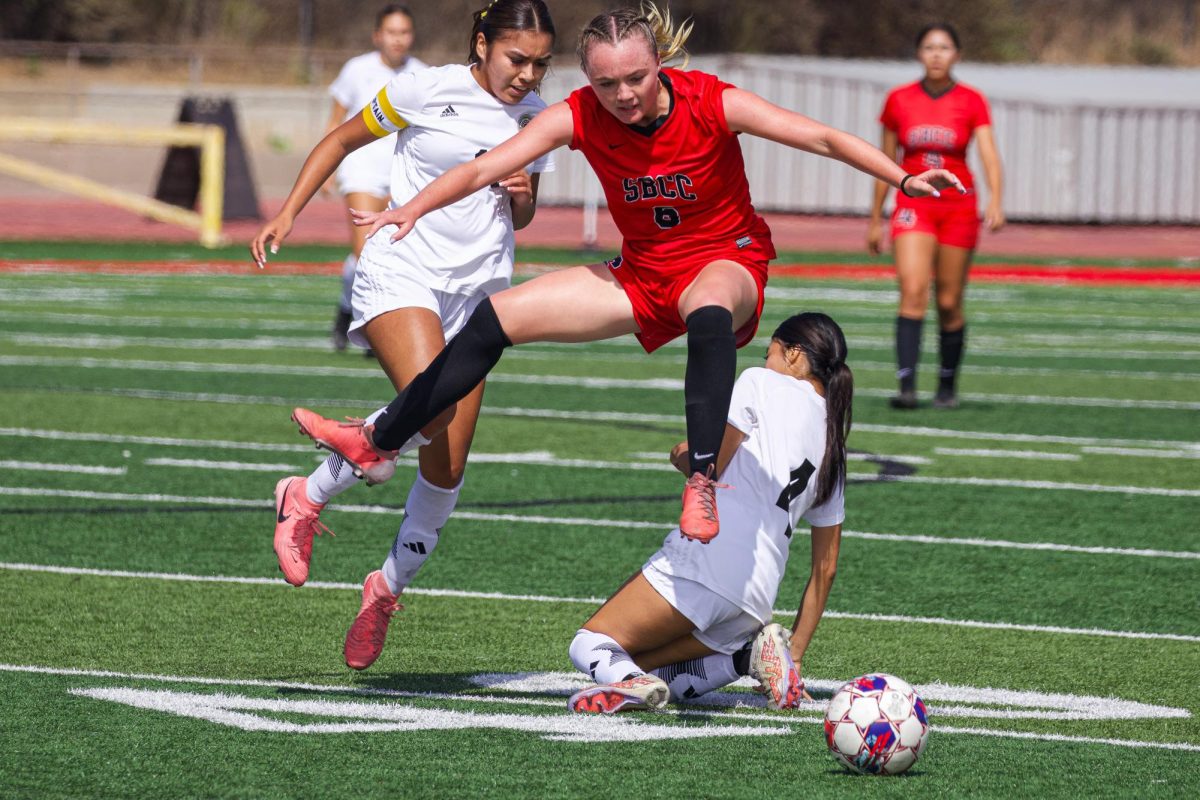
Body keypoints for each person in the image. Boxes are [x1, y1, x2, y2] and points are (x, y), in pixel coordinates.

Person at [295, 2, 961, 549]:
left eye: (636, 79)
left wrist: (902, 176)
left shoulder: (711, 103)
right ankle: (377, 438)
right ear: (588, 80)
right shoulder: (580, 115)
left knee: (706, 310)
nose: (623, 95)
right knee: (492, 321)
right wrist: (410, 207)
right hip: (641, 274)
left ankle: (701, 480)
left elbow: (819, 137)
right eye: (607, 83)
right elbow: (480, 169)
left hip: (725, 260)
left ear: (659, 66)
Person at [250, 0, 557, 671]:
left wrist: (520, 194)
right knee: (434, 402)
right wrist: (288, 214)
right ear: (482, 44)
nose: (528, 74)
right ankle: (311, 494)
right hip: (402, 264)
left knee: (445, 468)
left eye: (540, 63)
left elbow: (525, 213)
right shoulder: (427, 88)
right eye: (516, 58)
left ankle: (383, 587)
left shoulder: (540, 115)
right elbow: (339, 142)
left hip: (477, 297)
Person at [565, 312, 851, 713]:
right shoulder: (833, 442)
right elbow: (826, 568)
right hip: (756, 597)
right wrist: (797, 655)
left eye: (769, 351)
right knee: (641, 665)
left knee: (590, 645)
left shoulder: (761, 381)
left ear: (793, 354)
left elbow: (709, 464)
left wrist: (681, 454)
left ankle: (632, 683)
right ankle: (746, 658)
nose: (765, 360)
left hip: (708, 563)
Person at [867, 22, 1005, 410]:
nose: (937, 54)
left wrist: (997, 199)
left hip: (958, 207)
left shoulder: (972, 100)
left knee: (948, 301)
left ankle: (946, 386)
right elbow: (885, 161)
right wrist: (876, 217)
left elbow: (989, 154)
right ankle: (907, 386)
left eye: (945, 48)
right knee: (913, 291)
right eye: (929, 47)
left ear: (957, 54)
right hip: (915, 205)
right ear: (918, 54)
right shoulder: (899, 99)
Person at [325, 5, 427, 352]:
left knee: (388, 253)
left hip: (402, 175)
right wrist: (328, 168)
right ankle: (374, 330)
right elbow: (336, 122)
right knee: (365, 249)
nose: (398, 39)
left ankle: (345, 311)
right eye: (391, 32)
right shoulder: (357, 70)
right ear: (377, 35)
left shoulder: (423, 75)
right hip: (361, 171)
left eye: (404, 32)